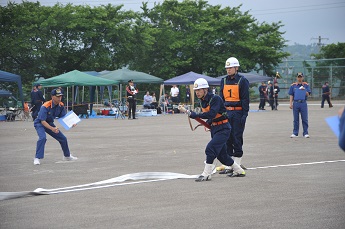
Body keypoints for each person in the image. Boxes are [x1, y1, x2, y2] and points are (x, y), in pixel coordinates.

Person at [188, 78, 245, 181]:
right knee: (222, 156)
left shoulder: (215, 99)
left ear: (206, 89)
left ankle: (206, 174)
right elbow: (211, 117)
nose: (197, 93)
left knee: (210, 148)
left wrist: (197, 115)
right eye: (196, 90)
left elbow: (212, 113)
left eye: (199, 90)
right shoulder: (202, 101)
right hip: (215, 128)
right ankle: (239, 170)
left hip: (223, 128)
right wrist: (208, 123)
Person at [219, 57, 250, 172]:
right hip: (227, 111)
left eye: (230, 68)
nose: (228, 70)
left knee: (237, 137)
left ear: (236, 68)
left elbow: (245, 99)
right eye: (227, 68)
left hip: (238, 112)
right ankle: (229, 164)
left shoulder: (242, 80)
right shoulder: (224, 81)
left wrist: (244, 115)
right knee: (227, 138)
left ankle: (237, 163)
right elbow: (221, 98)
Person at [33, 88, 78, 165]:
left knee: (63, 138)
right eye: (57, 96)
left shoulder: (61, 105)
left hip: (50, 123)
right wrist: (52, 129)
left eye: (60, 96)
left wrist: (71, 123)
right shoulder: (45, 106)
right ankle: (37, 158)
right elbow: (42, 121)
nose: (59, 98)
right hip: (40, 123)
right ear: (52, 96)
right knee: (42, 138)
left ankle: (67, 156)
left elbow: (63, 117)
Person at [289, 72, 311, 138]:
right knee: (295, 119)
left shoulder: (306, 85)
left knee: (304, 118)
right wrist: (290, 103)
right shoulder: (293, 86)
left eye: (301, 77)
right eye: (298, 77)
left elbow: (308, 94)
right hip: (296, 103)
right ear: (296, 78)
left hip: (303, 103)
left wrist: (305, 90)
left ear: (303, 77)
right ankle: (295, 133)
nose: (299, 78)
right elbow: (291, 95)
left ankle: (305, 133)